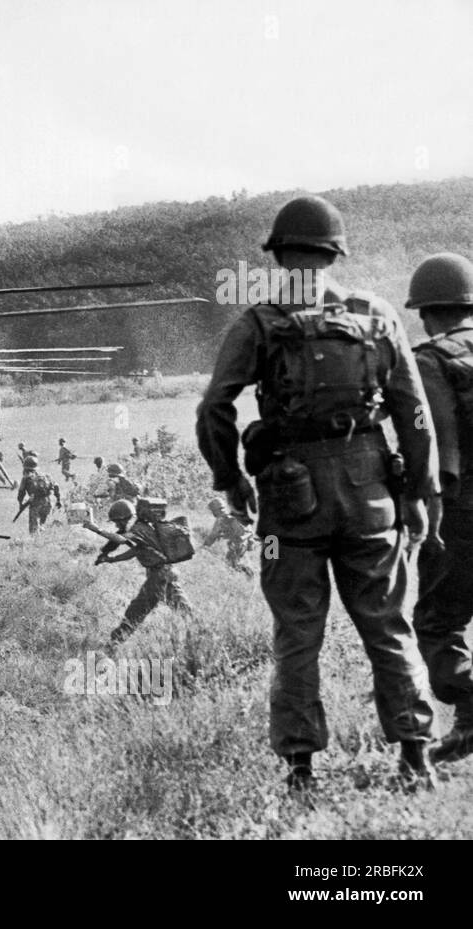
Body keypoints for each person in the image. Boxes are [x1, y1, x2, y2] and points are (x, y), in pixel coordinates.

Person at [196, 194, 438, 790]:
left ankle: (301, 771)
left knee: (297, 634)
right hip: (371, 493)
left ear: (278, 253)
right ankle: (416, 758)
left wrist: (230, 481)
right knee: (388, 625)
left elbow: (213, 409)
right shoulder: (377, 315)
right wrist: (420, 494)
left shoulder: (260, 321)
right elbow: (415, 415)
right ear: (336, 251)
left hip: (288, 497)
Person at [407, 253, 473, 764]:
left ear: (426, 312)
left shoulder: (429, 360)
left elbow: (440, 457)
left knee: (436, 621)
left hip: (463, 513)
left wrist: (427, 523)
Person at [94, 499, 194, 647]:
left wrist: (95, 529)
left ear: (124, 519)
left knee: (136, 611)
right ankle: (200, 635)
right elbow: (135, 551)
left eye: (117, 522)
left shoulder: (138, 529)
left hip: (159, 576)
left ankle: (113, 644)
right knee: (185, 611)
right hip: (167, 573)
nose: (116, 525)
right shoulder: (143, 528)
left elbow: (120, 539)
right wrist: (112, 559)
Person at [200, 497, 254, 577]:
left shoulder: (222, 519)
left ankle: (248, 573)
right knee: (233, 563)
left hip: (237, 544)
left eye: (213, 511)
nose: (213, 513)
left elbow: (212, 536)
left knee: (231, 564)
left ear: (215, 510)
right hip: (242, 544)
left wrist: (204, 546)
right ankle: (246, 575)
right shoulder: (236, 514)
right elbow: (250, 530)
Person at [17, 460, 60, 535]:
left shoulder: (26, 478)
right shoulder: (46, 476)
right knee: (42, 525)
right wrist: (58, 500)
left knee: (34, 529)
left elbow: (21, 493)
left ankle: (36, 544)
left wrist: (21, 504)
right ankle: (44, 541)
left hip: (35, 504)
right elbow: (56, 486)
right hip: (48, 503)